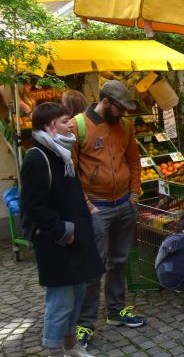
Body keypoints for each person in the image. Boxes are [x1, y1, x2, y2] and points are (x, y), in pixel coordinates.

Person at [20, 102, 105, 357]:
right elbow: (34, 206)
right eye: (65, 120)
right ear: (49, 126)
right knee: (60, 302)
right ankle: (55, 351)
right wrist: (62, 233)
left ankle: (71, 347)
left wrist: (87, 215)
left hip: (74, 239)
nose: (71, 124)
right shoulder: (38, 157)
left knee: (77, 297)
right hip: (56, 243)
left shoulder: (61, 152)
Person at [74, 80, 144, 347]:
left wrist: (134, 194)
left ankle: (116, 311)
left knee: (119, 260)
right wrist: (87, 205)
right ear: (106, 103)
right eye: (121, 108)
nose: (124, 114)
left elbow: (134, 162)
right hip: (97, 207)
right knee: (94, 266)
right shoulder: (79, 126)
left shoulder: (125, 127)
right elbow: (70, 172)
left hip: (124, 203)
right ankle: (84, 323)